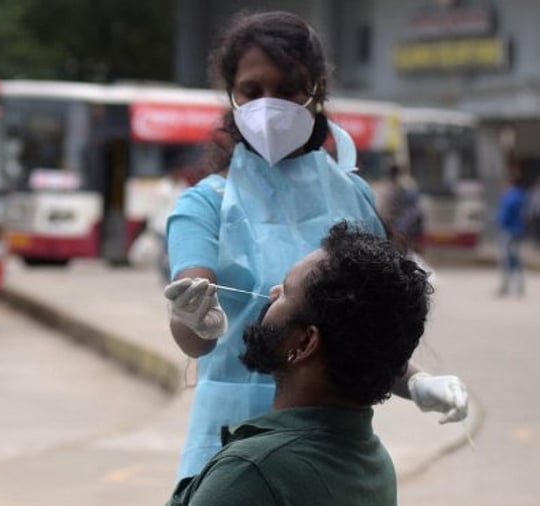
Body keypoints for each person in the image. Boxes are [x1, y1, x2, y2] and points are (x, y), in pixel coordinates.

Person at [163, 11, 469, 480]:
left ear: (317, 90)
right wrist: (192, 319)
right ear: (231, 96)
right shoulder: (204, 205)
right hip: (231, 445)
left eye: (288, 89)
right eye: (252, 90)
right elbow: (195, 324)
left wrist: (416, 382)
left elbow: (367, 333)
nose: (269, 106)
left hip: (333, 445)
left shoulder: (354, 197)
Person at [167, 223, 441, 506]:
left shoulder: (251, 473)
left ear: (304, 344)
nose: (272, 293)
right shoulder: (374, 460)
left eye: (285, 291)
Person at [379, 164, 424, 251]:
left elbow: (388, 209)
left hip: (402, 223)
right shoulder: (405, 184)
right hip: (405, 222)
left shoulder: (397, 187)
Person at [497, 175, 528, 297]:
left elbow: (505, 215)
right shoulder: (521, 196)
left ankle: (506, 285)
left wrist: (499, 220)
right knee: (516, 257)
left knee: (506, 258)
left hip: (508, 230)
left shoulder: (510, 197)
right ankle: (520, 284)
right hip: (518, 230)